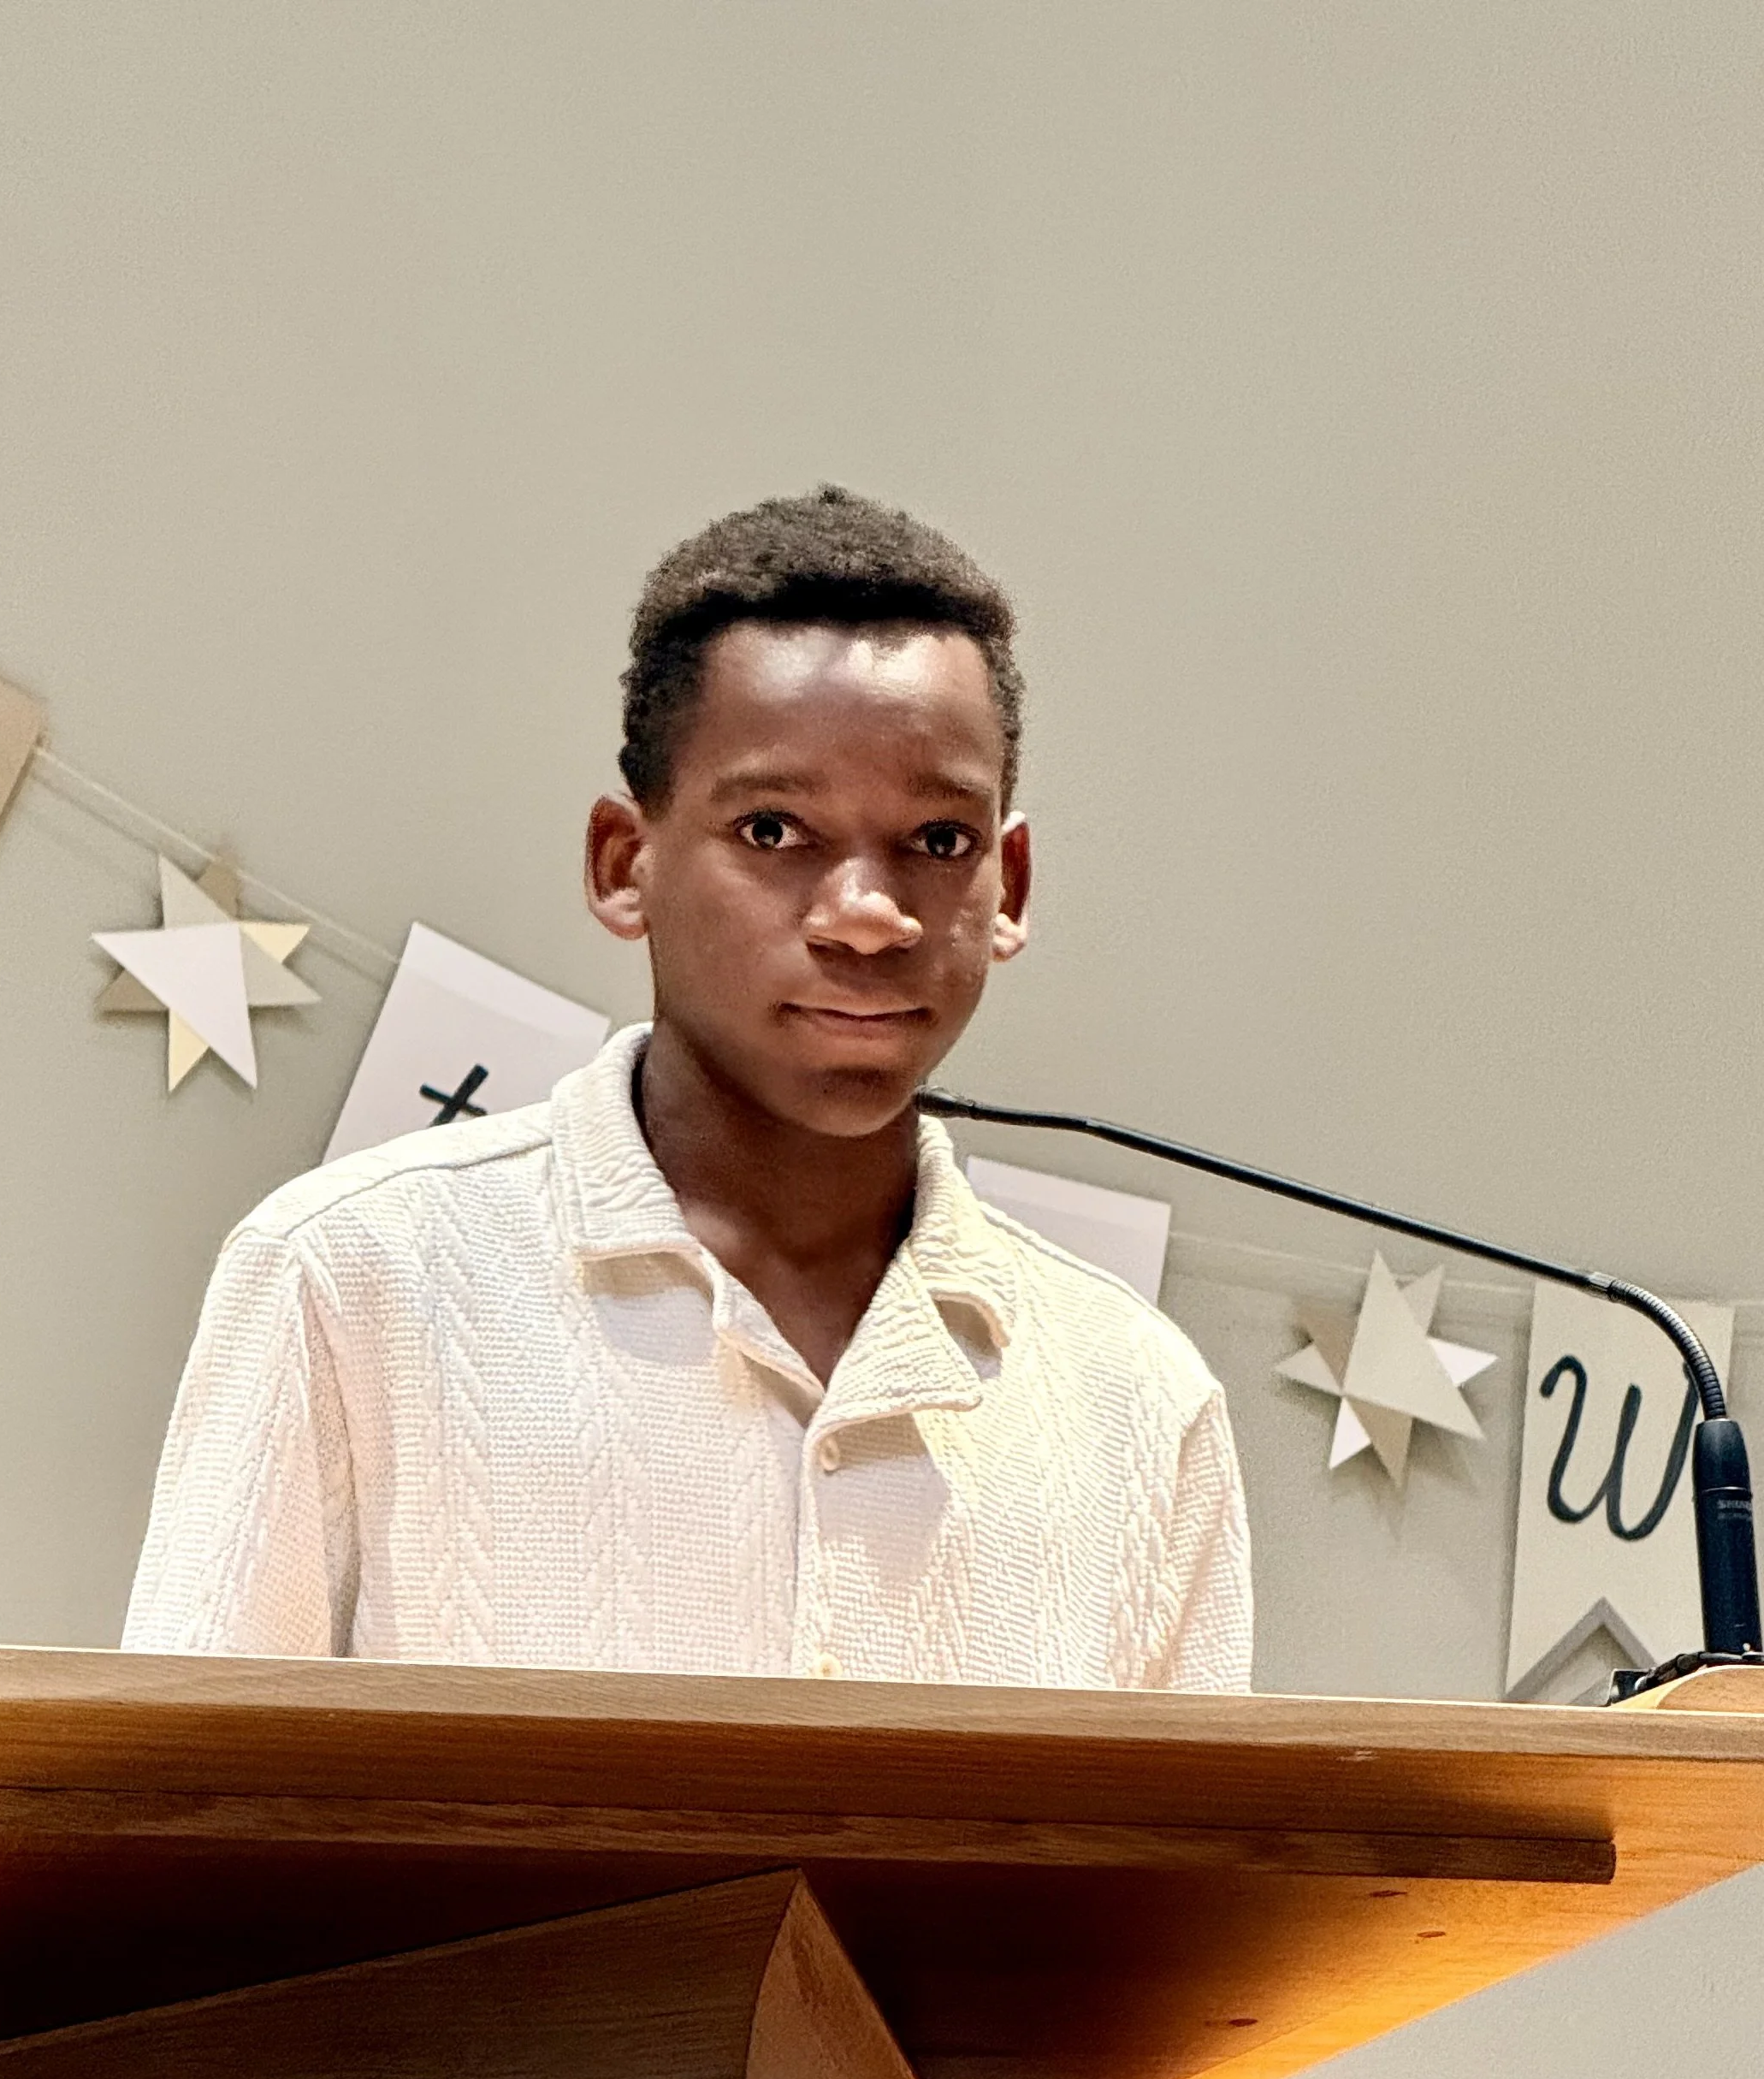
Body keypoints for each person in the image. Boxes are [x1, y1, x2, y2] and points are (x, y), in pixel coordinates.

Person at [123, 487, 1252, 1689]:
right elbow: (167, 1819)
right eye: (774, 831)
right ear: (626, 865)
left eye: (937, 841)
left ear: (1010, 884)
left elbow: (1179, 1878)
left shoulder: (1136, 1395)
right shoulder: (351, 1278)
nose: (867, 915)